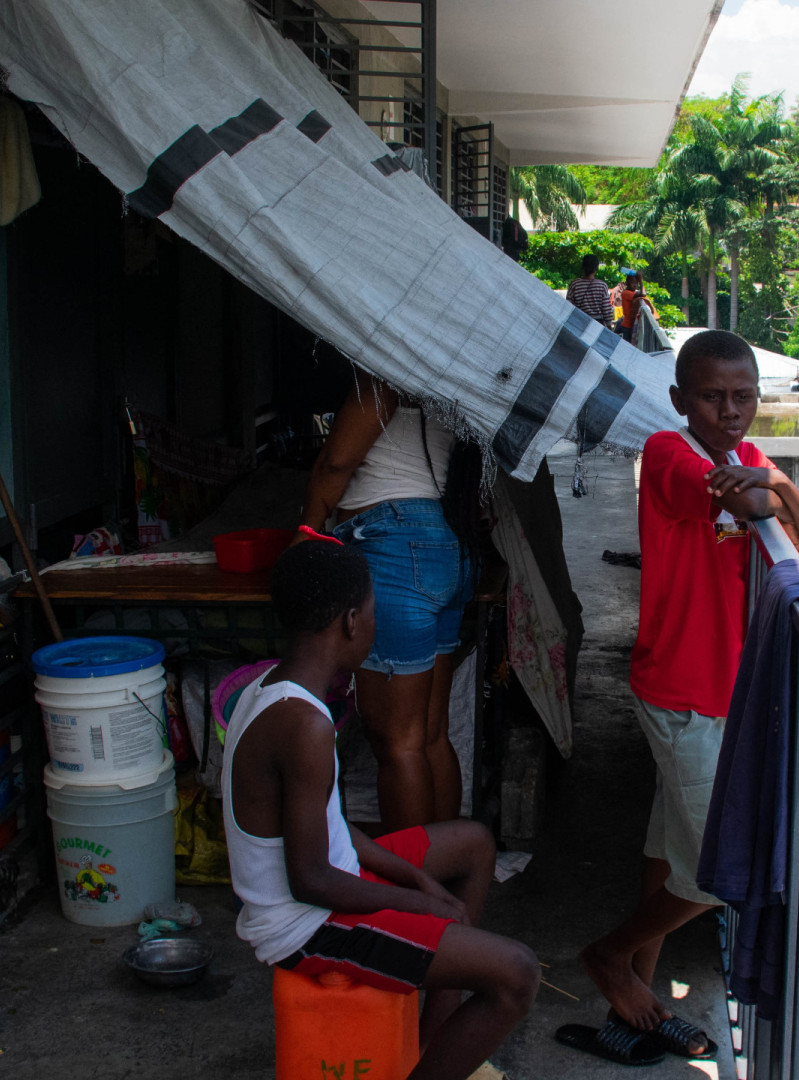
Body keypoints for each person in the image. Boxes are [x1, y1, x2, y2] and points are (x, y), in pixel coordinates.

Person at [560, 330, 799, 1067]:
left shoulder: (744, 462)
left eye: (744, 397)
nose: (731, 411)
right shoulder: (670, 453)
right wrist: (760, 492)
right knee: (722, 868)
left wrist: (771, 485)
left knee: (669, 852)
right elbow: (746, 511)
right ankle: (612, 957)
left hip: (723, 694)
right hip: (681, 689)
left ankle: (633, 1009)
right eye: (713, 397)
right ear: (682, 400)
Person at [223, 539, 539, 1080]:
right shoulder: (304, 724)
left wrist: (416, 877)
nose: (374, 624)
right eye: (372, 612)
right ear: (349, 622)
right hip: (305, 926)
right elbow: (311, 880)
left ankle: (435, 1043)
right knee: (517, 974)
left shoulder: (273, 688)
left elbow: (333, 829)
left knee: (473, 846)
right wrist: (415, 903)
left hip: (327, 877)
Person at [299, 372, 474, 831]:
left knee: (398, 743)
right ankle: (443, 872)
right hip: (443, 544)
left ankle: (414, 890)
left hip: (394, 547)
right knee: (429, 736)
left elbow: (336, 463)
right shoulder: (443, 373)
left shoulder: (383, 373)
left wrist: (306, 534)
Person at [566, 253, 614, 332]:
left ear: (583, 267)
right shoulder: (602, 285)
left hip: (579, 324)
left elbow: (569, 306)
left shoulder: (574, 284)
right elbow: (606, 310)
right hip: (597, 326)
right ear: (596, 268)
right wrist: (609, 327)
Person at [612, 271, 647, 348]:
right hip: (627, 326)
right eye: (632, 282)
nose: (635, 285)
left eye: (636, 283)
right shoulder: (626, 293)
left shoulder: (632, 292)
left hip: (630, 324)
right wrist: (641, 280)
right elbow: (643, 294)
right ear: (627, 283)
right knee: (628, 347)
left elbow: (643, 293)